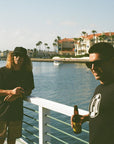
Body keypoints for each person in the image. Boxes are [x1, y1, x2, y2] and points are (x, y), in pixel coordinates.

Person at [71, 42, 114, 144]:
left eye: (98, 63)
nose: (93, 68)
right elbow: (105, 114)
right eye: (89, 64)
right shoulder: (99, 88)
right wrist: (85, 118)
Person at [0, 47, 34, 144]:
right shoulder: (2, 72)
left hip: (16, 111)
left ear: (25, 58)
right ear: (12, 57)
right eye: (16, 55)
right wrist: (10, 92)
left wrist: (17, 96)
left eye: (21, 56)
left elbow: (29, 90)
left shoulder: (27, 73)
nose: (18, 58)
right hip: (1, 110)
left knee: (12, 139)